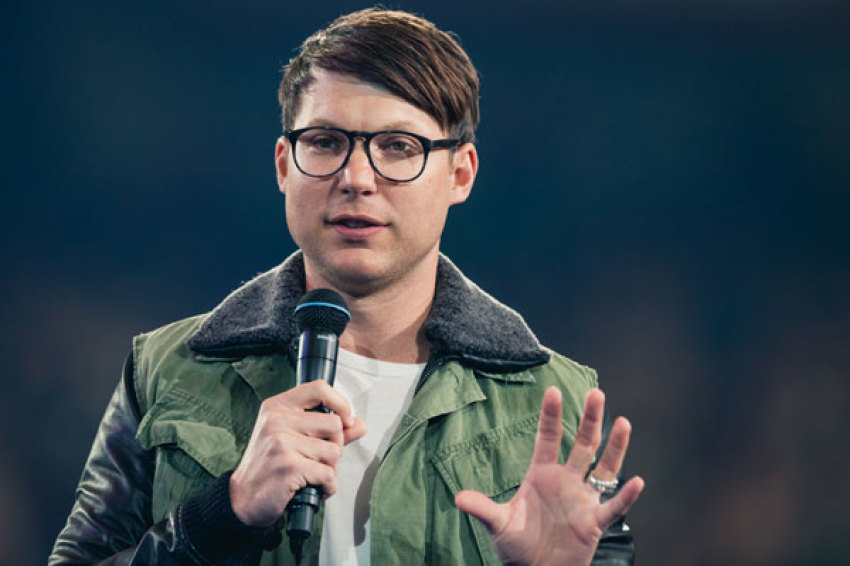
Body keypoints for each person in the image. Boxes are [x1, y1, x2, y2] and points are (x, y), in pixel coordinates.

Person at [50, 8, 643, 565]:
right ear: (285, 165)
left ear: (460, 173)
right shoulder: (165, 369)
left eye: (398, 147)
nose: (356, 179)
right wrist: (221, 514)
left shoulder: (553, 402)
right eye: (326, 143)